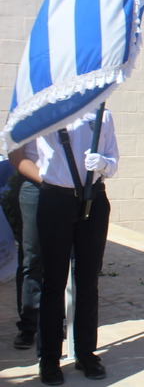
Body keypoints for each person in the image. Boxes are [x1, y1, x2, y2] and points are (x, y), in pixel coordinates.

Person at [36, 109, 119, 384]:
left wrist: (103, 163)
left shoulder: (102, 114)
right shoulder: (47, 111)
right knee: (53, 282)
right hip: (56, 200)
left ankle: (85, 353)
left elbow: (113, 162)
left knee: (88, 281)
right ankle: (49, 358)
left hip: (94, 200)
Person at [9, 142, 42, 350]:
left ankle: (58, 317)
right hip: (34, 185)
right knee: (31, 256)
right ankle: (29, 324)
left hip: (66, 186)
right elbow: (15, 155)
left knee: (64, 255)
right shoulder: (22, 116)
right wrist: (49, 180)